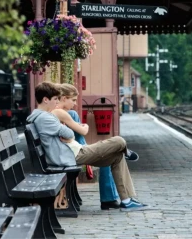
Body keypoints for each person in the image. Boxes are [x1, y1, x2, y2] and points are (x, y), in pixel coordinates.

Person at [27, 81, 147, 211]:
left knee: (117, 156)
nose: (57, 102)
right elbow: (69, 133)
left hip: (70, 153)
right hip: (71, 155)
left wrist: (64, 131)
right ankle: (126, 151)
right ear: (45, 99)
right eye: (55, 99)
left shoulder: (39, 116)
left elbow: (68, 134)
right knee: (119, 140)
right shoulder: (45, 118)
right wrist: (64, 131)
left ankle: (127, 200)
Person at [53, 83, 122, 210]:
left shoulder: (64, 113)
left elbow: (73, 135)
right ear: (64, 98)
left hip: (71, 150)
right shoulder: (59, 113)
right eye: (73, 100)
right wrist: (82, 128)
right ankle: (109, 199)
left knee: (108, 156)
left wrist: (76, 133)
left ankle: (109, 199)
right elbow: (81, 131)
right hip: (68, 154)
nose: (75, 103)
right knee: (111, 151)